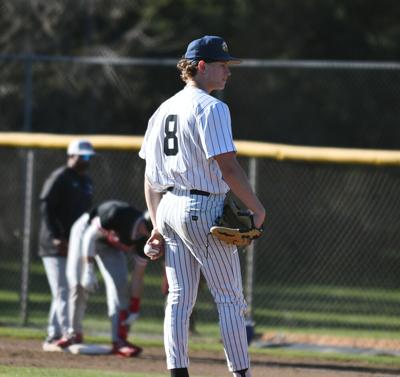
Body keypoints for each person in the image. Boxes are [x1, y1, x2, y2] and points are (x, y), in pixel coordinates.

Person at [139, 35, 266, 377]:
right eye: (223, 65)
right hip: (202, 207)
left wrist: (155, 224)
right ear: (202, 66)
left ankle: (177, 371)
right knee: (229, 299)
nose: (228, 72)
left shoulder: (163, 108)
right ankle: (241, 373)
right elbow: (228, 167)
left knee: (180, 296)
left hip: (168, 206)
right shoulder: (212, 108)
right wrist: (257, 207)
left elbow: (151, 179)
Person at [57, 200, 151, 357]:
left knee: (120, 286)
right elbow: (89, 237)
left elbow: (137, 277)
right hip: (85, 231)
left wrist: (135, 305)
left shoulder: (147, 242)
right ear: (146, 222)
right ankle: (72, 334)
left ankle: (119, 340)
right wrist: (88, 269)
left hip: (109, 246)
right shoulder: (116, 214)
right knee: (78, 283)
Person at [39, 139, 95, 350]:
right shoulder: (60, 177)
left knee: (66, 289)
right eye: (84, 156)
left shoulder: (86, 181)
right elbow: (46, 207)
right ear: (72, 155)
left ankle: (54, 335)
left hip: (75, 243)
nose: (87, 160)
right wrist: (55, 236)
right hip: (54, 244)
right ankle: (64, 334)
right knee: (63, 289)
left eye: (89, 157)